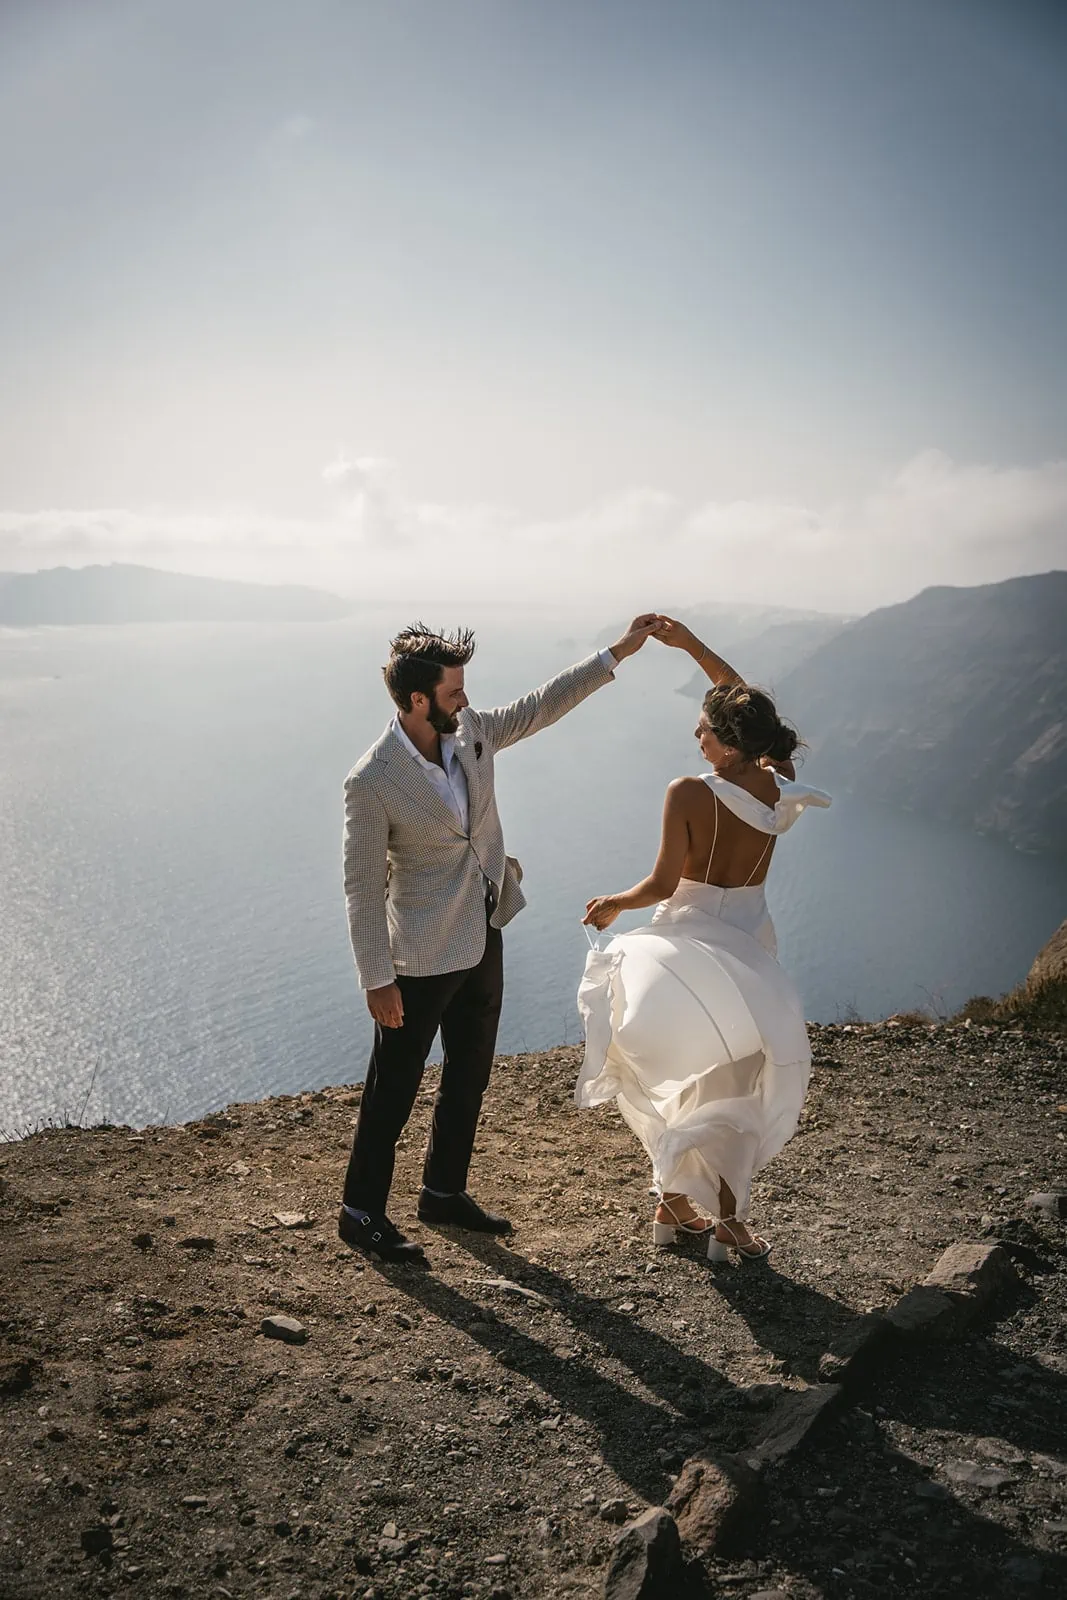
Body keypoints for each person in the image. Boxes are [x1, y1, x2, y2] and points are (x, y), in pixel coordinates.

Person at [339, 616, 659, 1264]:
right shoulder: (370, 781)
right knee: (392, 1091)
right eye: (453, 692)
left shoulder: (472, 732)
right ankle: (360, 1213)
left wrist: (615, 653)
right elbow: (360, 886)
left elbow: (540, 706)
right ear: (418, 700)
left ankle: (442, 1191)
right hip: (420, 957)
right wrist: (377, 977)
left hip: (483, 930)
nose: (465, 700)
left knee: (469, 1075)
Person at [576, 616, 830, 1263]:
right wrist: (689, 646)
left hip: (690, 945)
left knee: (683, 1075)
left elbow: (662, 884)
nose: (695, 735)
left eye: (705, 730)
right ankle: (700, 1211)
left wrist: (612, 904)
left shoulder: (689, 792)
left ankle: (699, 1212)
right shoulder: (773, 780)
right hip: (750, 945)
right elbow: (746, 704)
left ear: (726, 740)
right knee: (734, 1082)